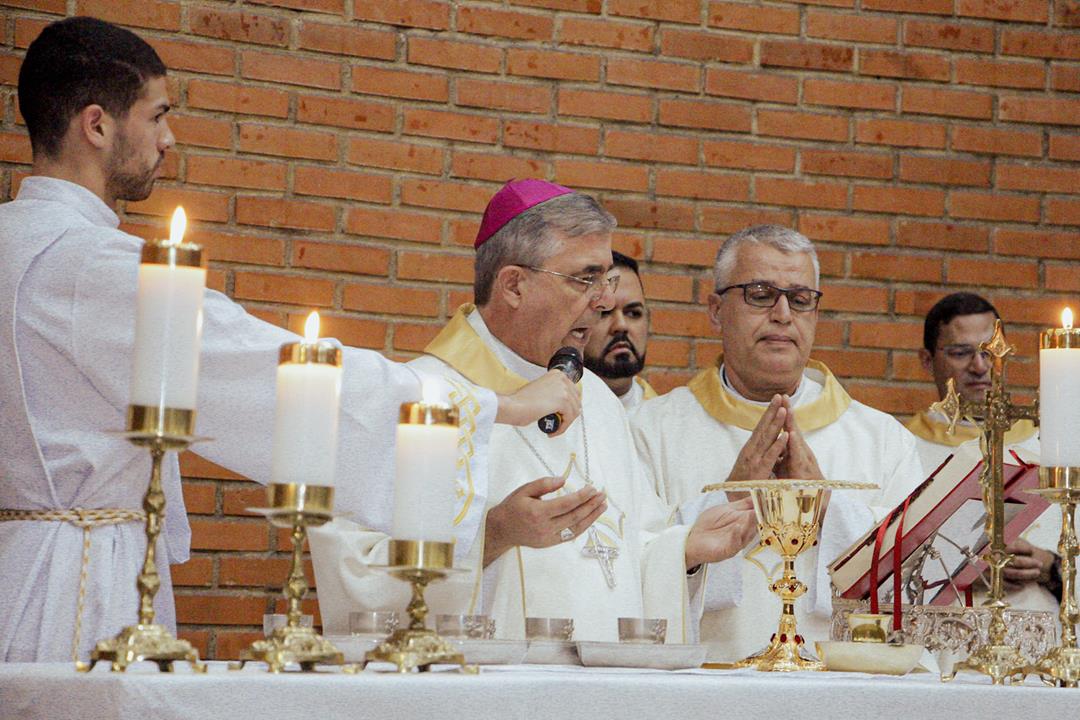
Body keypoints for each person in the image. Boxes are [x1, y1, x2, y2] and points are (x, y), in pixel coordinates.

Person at [0, 17, 575, 663]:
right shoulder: (93, 265)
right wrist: (494, 404)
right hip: (78, 586)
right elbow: (270, 371)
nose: (168, 138)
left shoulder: (15, 240)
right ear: (97, 125)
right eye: (157, 115)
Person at [311, 179, 757, 643]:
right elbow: (355, 574)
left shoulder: (598, 402)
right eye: (585, 279)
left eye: (606, 279)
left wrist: (683, 550)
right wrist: (495, 534)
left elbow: (623, 552)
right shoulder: (420, 401)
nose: (605, 301)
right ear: (514, 285)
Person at [631, 224, 924, 661]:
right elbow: (622, 562)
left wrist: (825, 505)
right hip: (699, 683)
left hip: (842, 686)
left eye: (801, 299)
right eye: (760, 294)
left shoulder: (883, 440)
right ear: (716, 310)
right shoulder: (649, 430)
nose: (783, 314)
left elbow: (921, 575)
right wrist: (728, 502)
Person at [907, 292, 1059, 611]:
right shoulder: (903, 449)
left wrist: (1050, 566)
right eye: (961, 353)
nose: (980, 366)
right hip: (941, 632)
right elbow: (884, 566)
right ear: (926, 360)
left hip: (1041, 631)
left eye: (990, 352)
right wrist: (955, 571)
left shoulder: (1048, 447)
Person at [583, 251, 656, 411]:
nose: (621, 326)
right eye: (604, 312)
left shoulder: (666, 419)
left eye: (633, 313)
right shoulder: (544, 411)